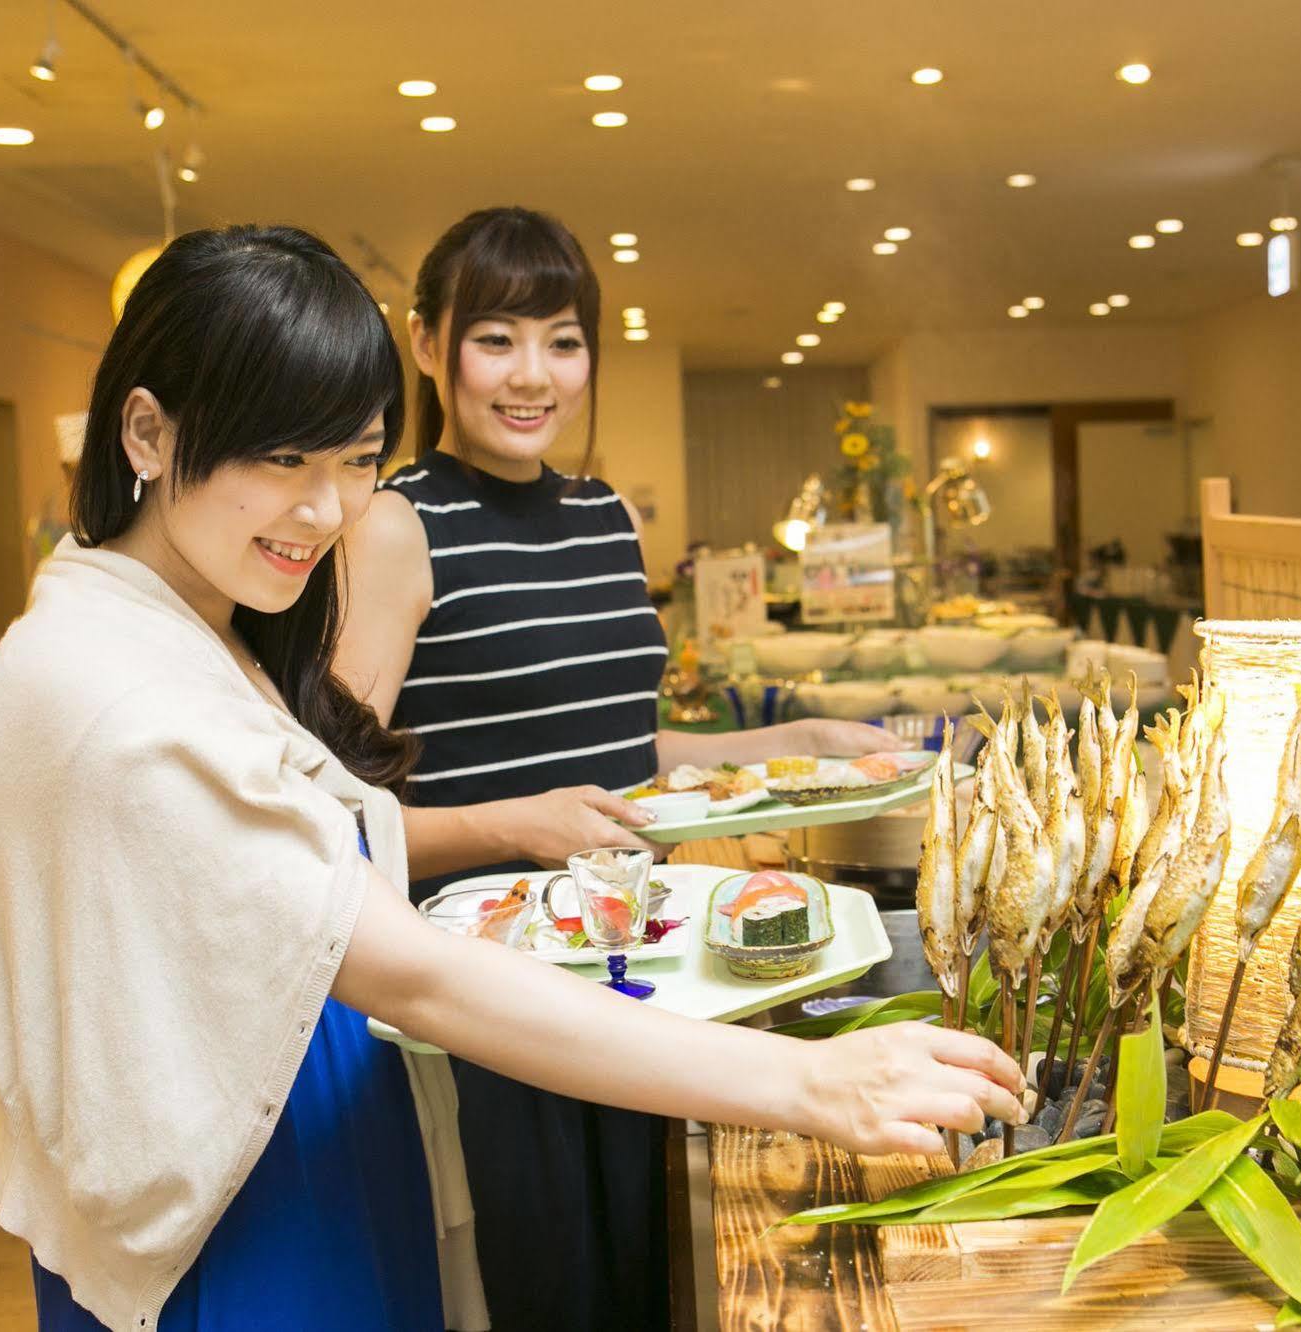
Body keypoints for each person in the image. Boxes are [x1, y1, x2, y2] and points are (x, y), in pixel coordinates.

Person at [0, 224, 1023, 1332]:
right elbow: (408, 971)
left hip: (307, 1108)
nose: (326, 512)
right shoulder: (125, 692)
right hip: (242, 1175)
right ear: (146, 430)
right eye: (283, 458)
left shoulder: (189, 621)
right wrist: (814, 1083)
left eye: (354, 459)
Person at [332, 206, 899, 1330]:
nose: (532, 375)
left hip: (643, 961)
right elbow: (335, 816)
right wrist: (515, 826)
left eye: (563, 339)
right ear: (429, 345)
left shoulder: (603, 519)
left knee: (653, 1274)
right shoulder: (396, 525)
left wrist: (794, 746)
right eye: (495, 339)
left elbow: (619, 753)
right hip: (490, 985)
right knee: (546, 1291)